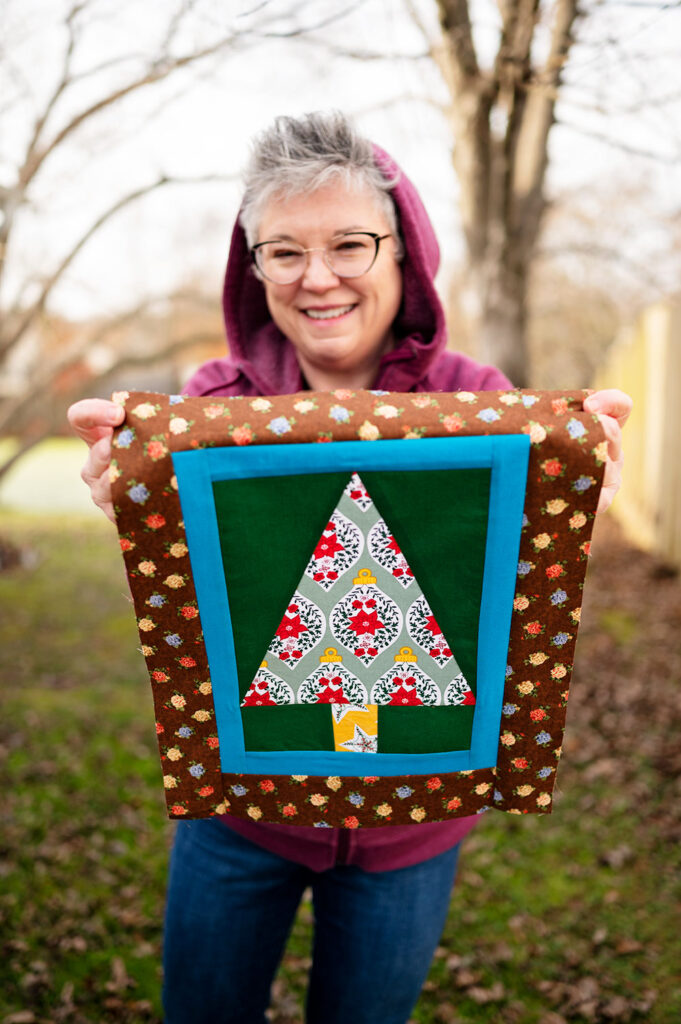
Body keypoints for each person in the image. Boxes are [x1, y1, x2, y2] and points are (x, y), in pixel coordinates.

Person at [68, 112, 632, 1024]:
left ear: (405, 252)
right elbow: (202, 598)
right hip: (239, 816)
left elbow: (509, 592)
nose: (316, 276)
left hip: (414, 832)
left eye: (349, 244)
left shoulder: (481, 406)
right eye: (281, 251)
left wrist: (571, 500)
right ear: (249, 268)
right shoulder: (210, 410)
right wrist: (127, 490)